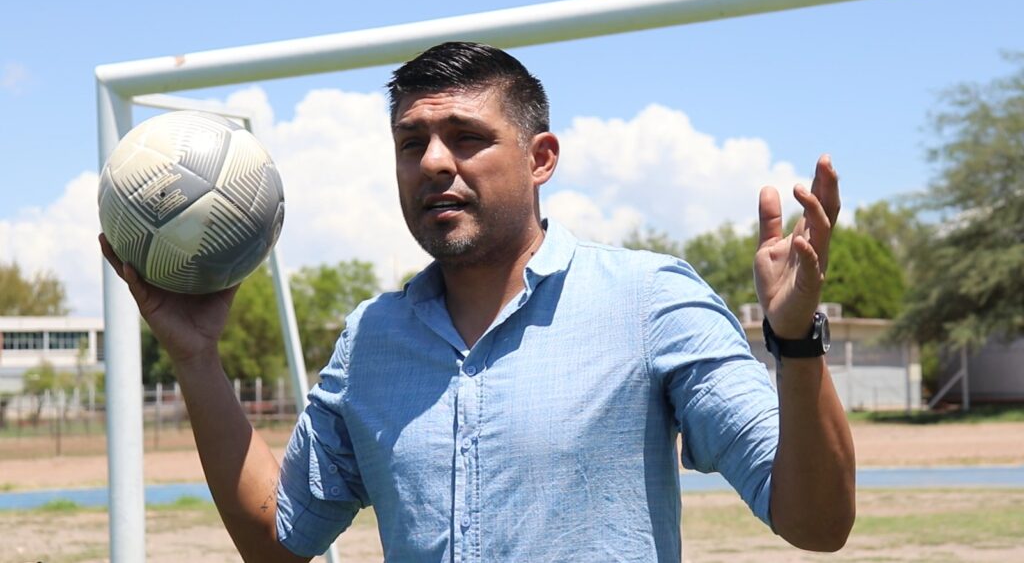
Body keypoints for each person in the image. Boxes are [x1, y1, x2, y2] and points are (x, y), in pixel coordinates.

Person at [100, 41, 854, 562]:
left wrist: (794, 341)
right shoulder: (372, 340)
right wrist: (196, 359)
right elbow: (279, 537)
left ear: (541, 158)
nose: (434, 161)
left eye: (466, 136)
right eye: (411, 142)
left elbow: (816, 523)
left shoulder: (649, 301)